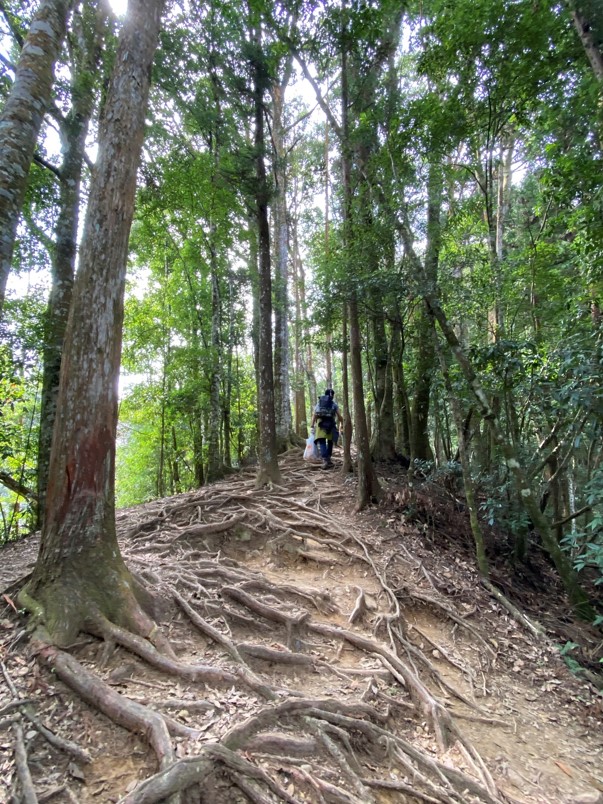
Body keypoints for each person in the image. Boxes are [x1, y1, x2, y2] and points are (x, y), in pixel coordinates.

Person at [311, 388, 344, 470]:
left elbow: (314, 415)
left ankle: (325, 460)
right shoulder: (334, 404)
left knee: (322, 441)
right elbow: (339, 416)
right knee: (330, 442)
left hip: (320, 424)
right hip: (330, 424)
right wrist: (342, 424)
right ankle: (328, 459)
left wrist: (312, 425)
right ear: (333, 395)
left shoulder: (319, 403)